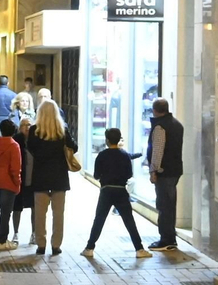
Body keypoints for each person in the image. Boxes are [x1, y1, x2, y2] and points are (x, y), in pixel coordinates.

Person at [82, 129, 153, 259]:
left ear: (107, 140)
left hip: (106, 191)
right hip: (121, 191)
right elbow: (129, 174)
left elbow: (96, 175)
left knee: (99, 220)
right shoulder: (125, 155)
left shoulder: (102, 155)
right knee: (129, 221)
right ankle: (139, 249)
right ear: (119, 139)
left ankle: (89, 248)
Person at [25, 100, 75, 255]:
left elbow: (31, 148)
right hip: (59, 177)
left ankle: (41, 244)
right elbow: (74, 146)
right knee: (58, 213)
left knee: (40, 213)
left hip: (40, 176)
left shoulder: (34, 130)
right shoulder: (62, 130)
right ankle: (56, 245)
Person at [147, 98, 186, 252]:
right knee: (170, 204)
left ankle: (166, 239)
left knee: (164, 205)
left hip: (164, 172)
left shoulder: (160, 127)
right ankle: (170, 237)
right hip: (175, 170)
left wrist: (153, 170)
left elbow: (157, 150)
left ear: (155, 110)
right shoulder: (177, 124)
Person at [0, 119, 23, 250]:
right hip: (8, 183)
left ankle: (2, 239)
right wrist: (18, 183)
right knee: (6, 212)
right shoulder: (14, 146)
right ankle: (1, 240)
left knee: (4, 211)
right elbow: (15, 168)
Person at [13, 117, 34, 242]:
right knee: (16, 208)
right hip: (19, 180)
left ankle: (34, 233)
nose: (27, 127)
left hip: (33, 180)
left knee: (35, 208)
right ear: (20, 127)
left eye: (30, 125)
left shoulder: (36, 142)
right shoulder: (16, 141)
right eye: (24, 125)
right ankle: (15, 233)